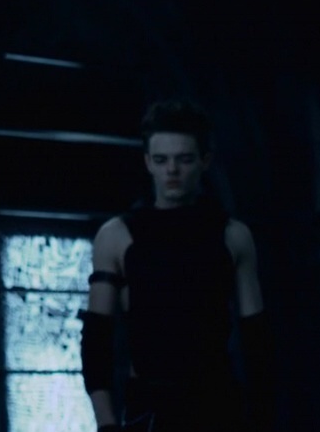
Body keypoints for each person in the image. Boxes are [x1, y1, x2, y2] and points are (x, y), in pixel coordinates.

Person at [82, 99, 272, 431]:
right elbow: (98, 338)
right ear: (148, 162)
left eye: (183, 159)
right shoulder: (117, 236)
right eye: (161, 160)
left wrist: (259, 419)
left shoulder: (233, 236)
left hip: (218, 406)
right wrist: (106, 423)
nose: (172, 170)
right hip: (149, 407)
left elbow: (256, 339)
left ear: (204, 161)